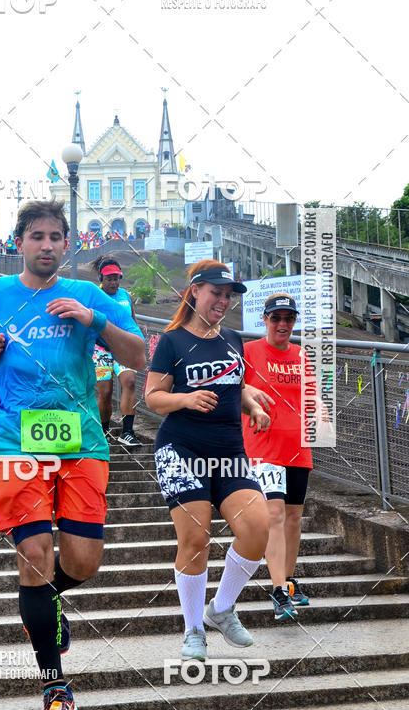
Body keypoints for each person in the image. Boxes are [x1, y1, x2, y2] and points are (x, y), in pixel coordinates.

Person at [0, 200, 145, 710]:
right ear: (19, 241)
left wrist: (94, 322)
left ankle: (48, 602)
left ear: (68, 245)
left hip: (81, 440)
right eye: (36, 236)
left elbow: (138, 355)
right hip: (13, 438)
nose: (46, 245)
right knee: (35, 555)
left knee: (84, 563)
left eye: (55, 237)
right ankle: (55, 689)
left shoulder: (91, 295)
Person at [144, 260, 271, 661]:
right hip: (181, 450)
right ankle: (193, 627)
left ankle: (220, 609)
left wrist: (250, 402)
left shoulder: (233, 338)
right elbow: (152, 396)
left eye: (228, 294)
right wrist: (185, 398)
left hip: (229, 452)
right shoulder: (172, 341)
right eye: (216, 292)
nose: (223, 300)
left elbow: (238, 382)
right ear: (195, 290)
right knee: (196, 537)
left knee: (257, 527)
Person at [242, 293, 323, 618]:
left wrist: (323, 413)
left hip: (297, 447)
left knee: (292, 518)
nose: (283, 324)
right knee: (273, 514)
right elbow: (234, 388)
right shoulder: (249, 352)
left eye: (289, 319)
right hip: (263, 447)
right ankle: (278, 591)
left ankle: (288, 581)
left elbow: (313, 396)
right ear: (265, 320)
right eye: (276, 318)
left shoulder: (301, 355)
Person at [91, 256, 142, 446]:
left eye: (116, 278)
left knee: (129, 382)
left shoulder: (126, 296)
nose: (113, 282)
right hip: (100, 349)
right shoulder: (94, 296)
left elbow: (133, 321)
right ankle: (103, 432)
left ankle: (127, 432)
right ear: (101, 279)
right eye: (109, 279)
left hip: (123, 348)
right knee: (105, 392)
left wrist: (136, 343)